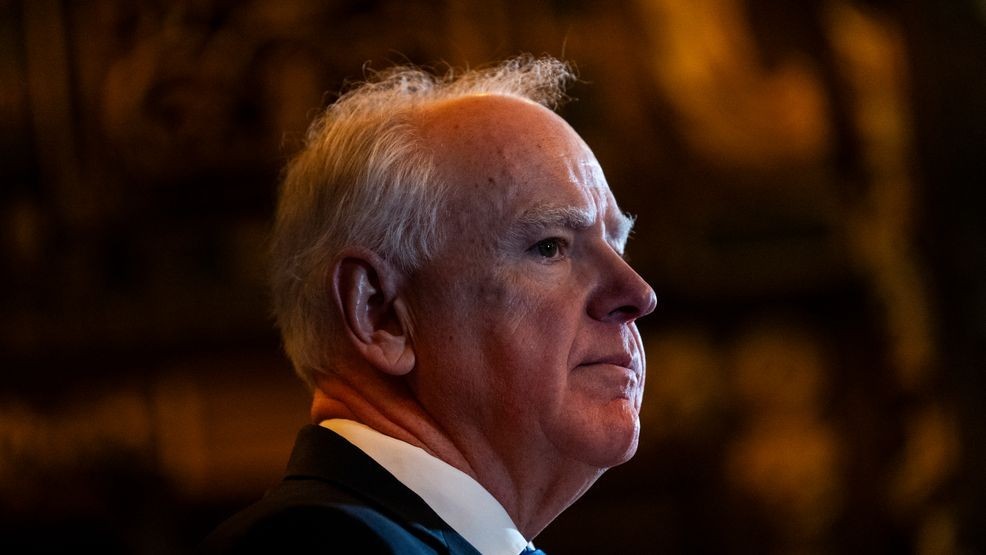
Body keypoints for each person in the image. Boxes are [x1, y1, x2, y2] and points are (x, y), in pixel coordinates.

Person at [202, 55, 657, 555]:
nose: (638, 294)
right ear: (381, 315)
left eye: (617, 244)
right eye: (549, 246)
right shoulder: (317, 545)